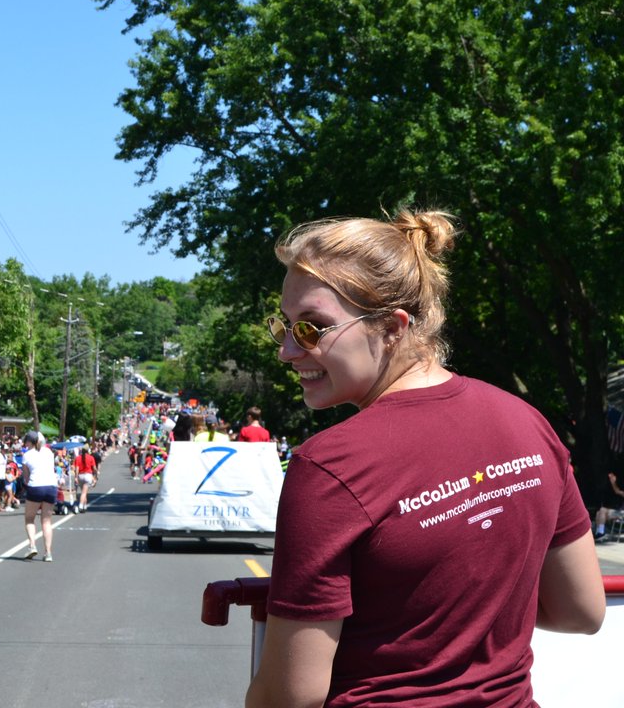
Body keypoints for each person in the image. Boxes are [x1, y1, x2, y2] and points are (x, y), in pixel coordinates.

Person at [246, 210, 604, 708]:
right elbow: (581, 611)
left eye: (312, 328)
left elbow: (292, 695)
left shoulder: (330, 465)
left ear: (392, 328)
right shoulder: (528, 421)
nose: (287, 350)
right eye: (284, 327)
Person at [20, 430, 57, 561]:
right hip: (51, 486)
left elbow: (26, 477)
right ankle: (48, 553)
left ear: (29, 442)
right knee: (46, 521)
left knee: (30, 519)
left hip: (36, 486)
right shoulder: (49, 452)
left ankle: (32, 546)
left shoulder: (27, 455)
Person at [74, 444, 98, 512]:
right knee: (84, 493)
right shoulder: (91, 458)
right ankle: (81, 506)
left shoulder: (78, 458)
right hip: (88, 476)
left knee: (83, 492)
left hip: (80, 476)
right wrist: (95, 475)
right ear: (88, 450)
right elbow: (94, 468)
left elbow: (77, 469)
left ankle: (85, 506)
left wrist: (76, 477)